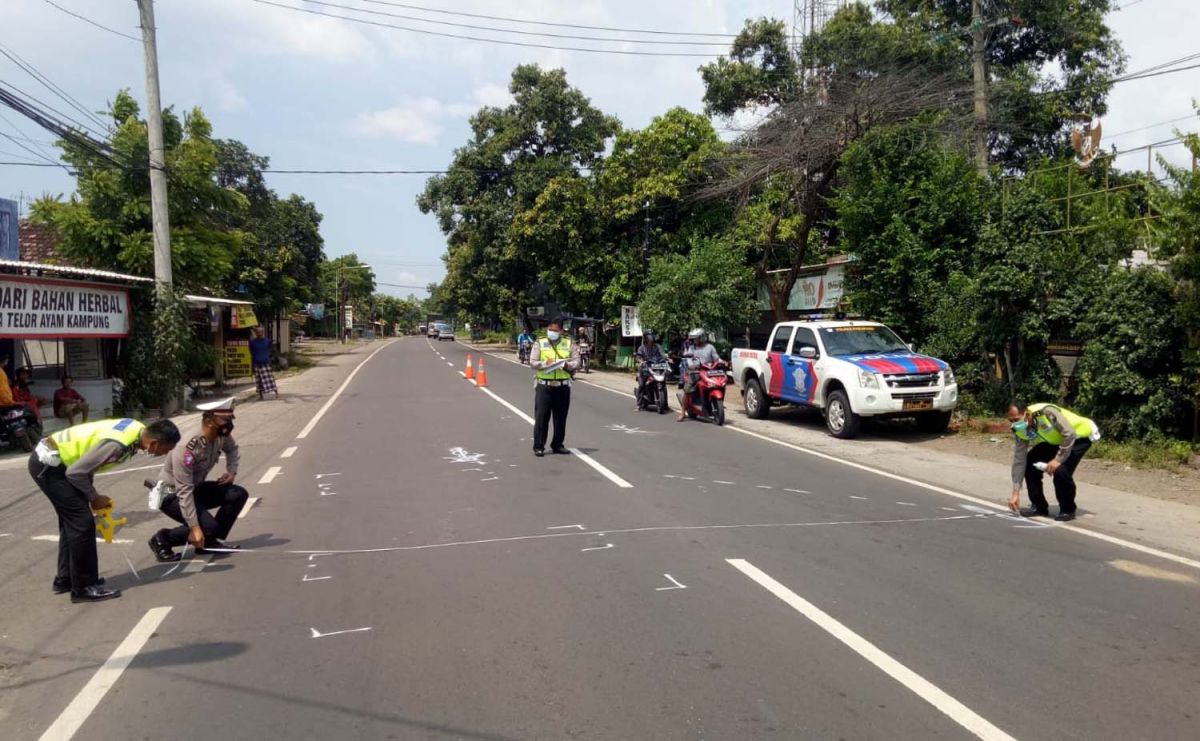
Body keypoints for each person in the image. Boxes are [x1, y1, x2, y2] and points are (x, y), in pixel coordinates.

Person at [30, 417, 180, 602]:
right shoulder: (118, 445)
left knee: (72, 522)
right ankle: (83, 587)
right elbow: (76, 473)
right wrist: (94, 497)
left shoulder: (137, 430)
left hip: (58, 461)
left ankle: (66, 579)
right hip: (51, 466)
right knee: (82, 523)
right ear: (155, 443)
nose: (165, 454)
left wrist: (91, 494)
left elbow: (86, 465)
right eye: (166, 450)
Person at [149, 398, 248, 561]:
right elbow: (184, 491)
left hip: (193, 488)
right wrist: (195, 528)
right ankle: (162, 539)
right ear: (209, 421)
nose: (229, 424)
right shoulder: (187, 448)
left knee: (238, 494)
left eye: (231, 419)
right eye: (225, 419)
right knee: (208, 526)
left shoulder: (220, 435)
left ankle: (209, 542)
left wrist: (231, 471)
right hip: (169, 494)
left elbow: (232, 449)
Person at [1007, 401, 1101, 522]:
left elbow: (1070, 433)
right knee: (1030, 462)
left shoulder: (1046, 412)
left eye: (1016, 419)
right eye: (1011, 421)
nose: (1015, 423)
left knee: (1061, 470)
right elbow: (1019, 460)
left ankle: (1067, 509)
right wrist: (1015, 493)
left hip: (1079, 437)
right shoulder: (1019, 430)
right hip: (1058, 441)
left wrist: (1057, 460)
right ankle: (1039, 506)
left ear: (1027, 414)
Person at [529, 319, 579, 457]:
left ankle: (558, 444)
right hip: (544, 386)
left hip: (562, 386)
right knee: (541, 417)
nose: (552, 332)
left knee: (560, 418)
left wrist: (566, 365)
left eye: (555, 330)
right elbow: (532, 362)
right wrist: (545, 363)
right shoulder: (540, 342)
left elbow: (577, 362)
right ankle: (539, 446)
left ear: (561, 331)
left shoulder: (569, 343)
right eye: (550, 330)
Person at [677, 329, 723, 421]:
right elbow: (689, 359)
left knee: (719, 383)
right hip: (696, 373)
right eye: (693, 339)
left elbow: (717, 359)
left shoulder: (710, 347)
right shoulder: (691, 348)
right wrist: (692, 366)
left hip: (709, 372)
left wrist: (723, 362)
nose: (695, 341)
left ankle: (714, 404)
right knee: (687, 390)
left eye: (696, 338)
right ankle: (682, 412)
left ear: (702, 337)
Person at [635, 331, 666, 409]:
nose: (651, 338)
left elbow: (663, 355)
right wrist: (641, 361)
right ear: (646, 338)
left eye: (652, 336)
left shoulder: (657, 346)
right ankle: (638, 405)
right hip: (645, 368)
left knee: (663, 382)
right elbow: (638, 357)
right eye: (649, 336)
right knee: (642, 385)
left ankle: (665, 404)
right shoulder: (641, 347)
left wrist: (667, 358)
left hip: (656, 367)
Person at [249, 326, 277, 400]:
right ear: (256, 333)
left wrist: (270, 359)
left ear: (263, 332)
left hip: (266, 363)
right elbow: (251, 352)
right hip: (257, 363)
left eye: (261, 332)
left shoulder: (267, 341)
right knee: (259, 380)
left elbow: (272, 351)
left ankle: (275, 393)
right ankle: (261, 395)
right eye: (258, 332)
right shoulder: (252, 342)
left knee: (270, 379)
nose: (259, 333)